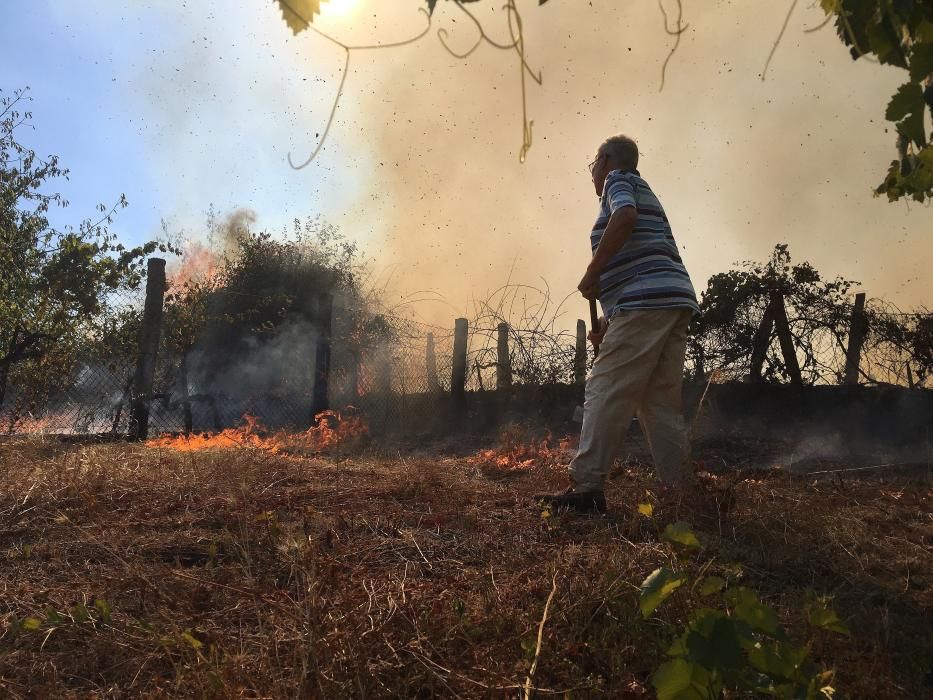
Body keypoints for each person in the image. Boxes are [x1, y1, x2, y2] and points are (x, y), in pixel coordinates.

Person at [536, 135, 700, 514]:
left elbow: (625, 219)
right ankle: (682, 495)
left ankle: (586, 487)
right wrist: (609, 321)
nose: (592, 172)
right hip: (671, 300)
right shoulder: (647, 191)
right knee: (658, 403)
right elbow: (640, 262)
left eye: (593, 163)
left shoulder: (619, 181)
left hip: (646, 301)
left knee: (604, 387)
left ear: (605, 159)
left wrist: (593, 272)